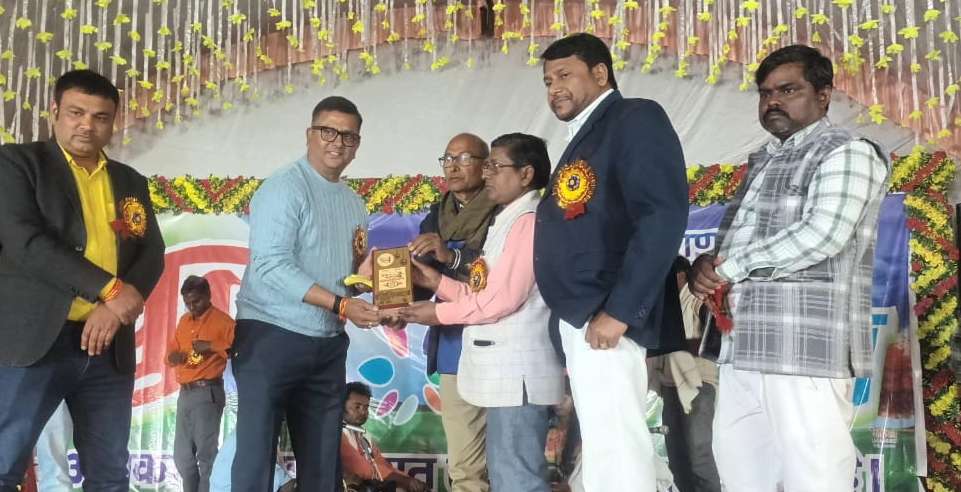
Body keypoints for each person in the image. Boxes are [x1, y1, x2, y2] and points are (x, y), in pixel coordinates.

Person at [688, 45, 889, 491]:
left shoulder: (847, 151)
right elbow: (740, 243)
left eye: (788, 90)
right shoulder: (764, 159)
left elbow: (823, 234)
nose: (773, 101)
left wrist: (730, 267)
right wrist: (708, 265)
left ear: (824, 95)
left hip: (802, 344)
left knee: (814, 472)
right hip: (741, 343)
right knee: (740, 471)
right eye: (765, 93)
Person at [533, 33, 689, 491]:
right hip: (583, 315)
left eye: (564, 75)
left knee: (616, 443)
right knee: (605, 442)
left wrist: (621, 310)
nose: (554, 88)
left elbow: (661, 215)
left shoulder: (634, 118)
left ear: (600, 73)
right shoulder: (585, 134)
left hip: (606, 312)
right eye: (548, 81)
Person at [0, 69, 165, 491]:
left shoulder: (129, 181)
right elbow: (26, 243)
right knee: (4, 462)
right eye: (76, 113)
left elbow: (151, 253)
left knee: (109, 475)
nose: (87, 125)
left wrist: (114, 310)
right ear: (54, 110)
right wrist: (109, 289)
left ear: (114, 121)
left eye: (100, 117)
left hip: (106, 345)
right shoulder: (18, 164)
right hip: (35, 341)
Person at [231, 96, 384, 491]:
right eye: (328, 132)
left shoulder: (354, 202)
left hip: (327, 343)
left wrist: (370, 285)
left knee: (322, 464)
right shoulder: (284, 187)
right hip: (271, 335)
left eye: (348, 136)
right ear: (309, 134)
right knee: (256, 457)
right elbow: (270, 266)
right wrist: (342, 303)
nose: (338, 143)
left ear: (358, 144)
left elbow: (346, 277)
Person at [401, 133, 565, 492]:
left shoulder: (529, 220)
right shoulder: (507, 219)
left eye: (493, 165)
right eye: (486, 165)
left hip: (517, 371)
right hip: (495, 368)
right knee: (498, 472)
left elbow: (499, 300)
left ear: (525, 174)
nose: (487, 173)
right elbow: (483, 290)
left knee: (517, 478)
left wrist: (437, 314)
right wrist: (434, 281)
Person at [410, 133, 497, 492]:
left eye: (463, 158)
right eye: (447, 159)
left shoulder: (504, 209)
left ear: (486, 165)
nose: (453, 167)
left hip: (501, 342)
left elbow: (503, 274)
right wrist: (393, 295)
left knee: (508, 459)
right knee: (464, 464)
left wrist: (452, 256)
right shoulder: (437, 215)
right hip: (453, 344)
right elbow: (423, 277)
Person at [646, 257, 720, 492]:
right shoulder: (663, 303)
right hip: (669, 385)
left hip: (699, 384)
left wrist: (674, 344)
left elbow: (712, 338)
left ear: (680, 275)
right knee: (676, 454)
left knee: (699, 452)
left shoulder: (696, 296)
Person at [166, 275, 235, 492]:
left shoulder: (223, 322)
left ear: (208, 295)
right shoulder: (184, 322)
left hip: (207, 392)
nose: (191, 307)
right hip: (185, 393)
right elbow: (170, 352)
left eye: (196, 301)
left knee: (206, 457)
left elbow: (238, 350)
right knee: (182, 458)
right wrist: (173, 357)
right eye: (187, 303)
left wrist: (211, 346)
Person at [341, 382, 429, 492]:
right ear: (341, 406)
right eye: (357, 407)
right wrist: (404, 480)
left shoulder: (364, 435)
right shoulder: (338, 435)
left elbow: (382, 465)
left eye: (366, 407)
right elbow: (362, 469)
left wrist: (409, 480)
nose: (363, 412)